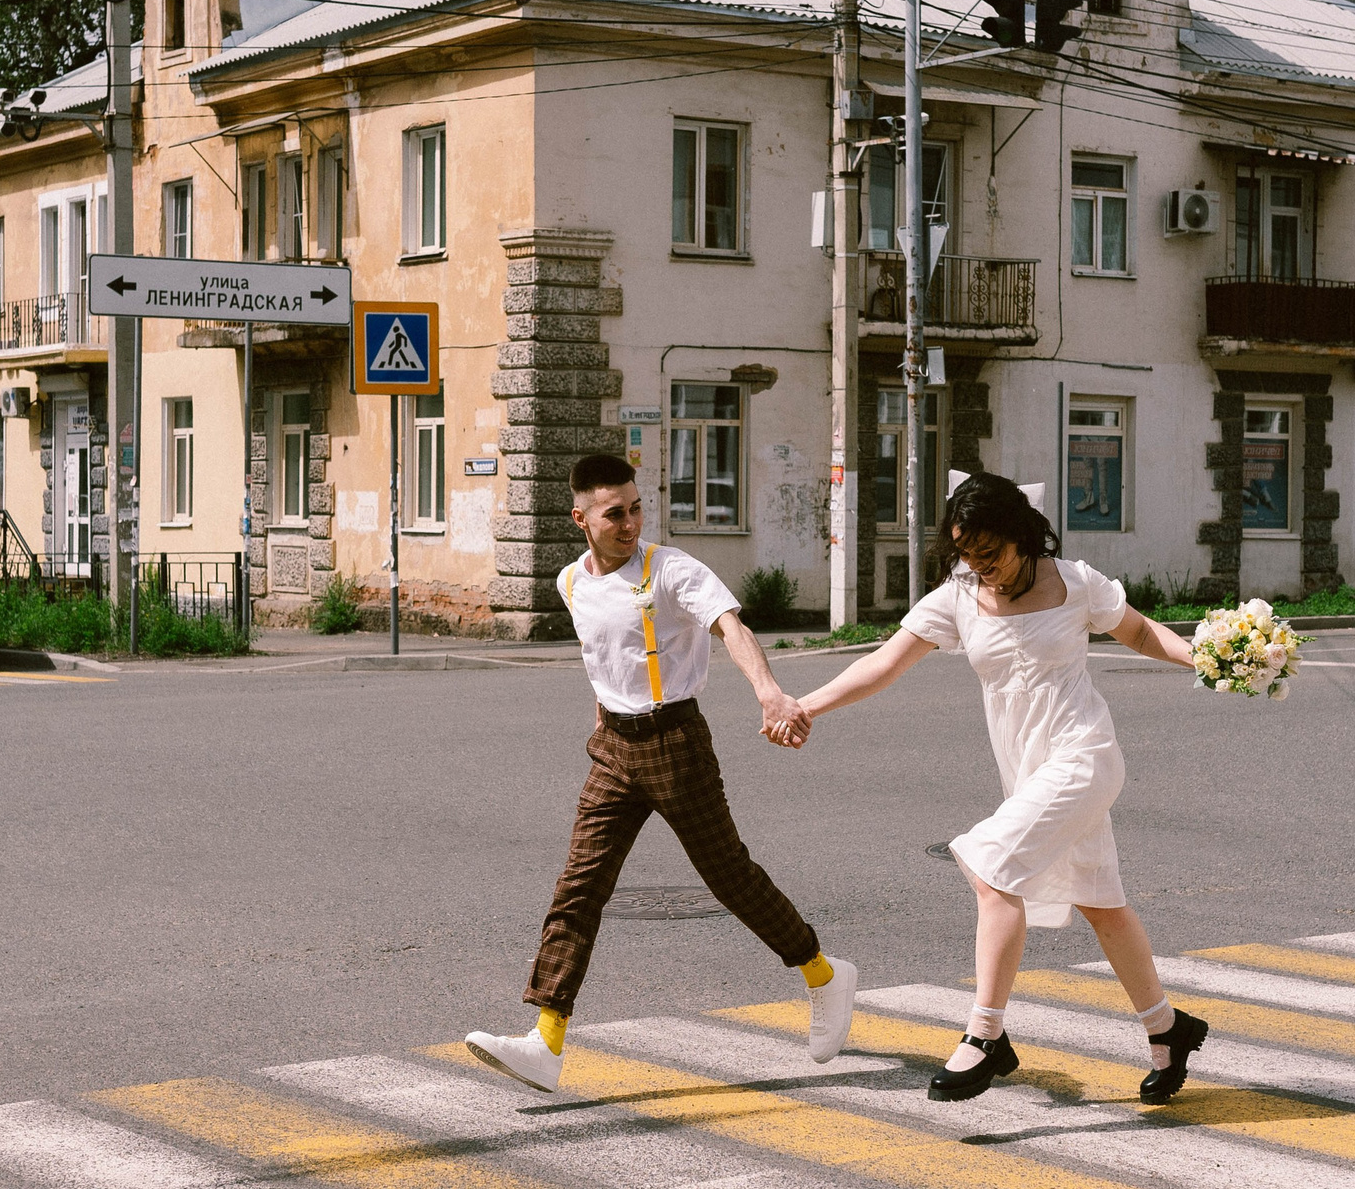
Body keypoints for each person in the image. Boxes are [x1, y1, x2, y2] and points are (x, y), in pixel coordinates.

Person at [789, 471, 1211, 1103]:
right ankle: (1167, 1027)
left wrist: (1209, 657)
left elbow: (1141, 632)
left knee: (991, 869)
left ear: (1024, 536)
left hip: (1084, 755)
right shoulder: (958, 597)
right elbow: (881, 663)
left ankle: (985, 1036)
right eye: (966, 554)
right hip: (1029, 772)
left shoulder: (1074, 583)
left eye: (990, 553)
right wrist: (806, 706)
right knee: (1100, 903)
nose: (978, 566)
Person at [464, 453, 856, 1093]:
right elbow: (603, 658)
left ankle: (823, 974)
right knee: (579, 886)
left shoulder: (671, 569)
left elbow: (731, 626)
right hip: (614, 749)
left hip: (675, 740)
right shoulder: (571, 582)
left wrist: (770, 693)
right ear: (582, 520)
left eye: (636, 508)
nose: (629, 522)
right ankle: (547, 1040)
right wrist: (602, 721)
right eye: (614, 513)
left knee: (728, 875)